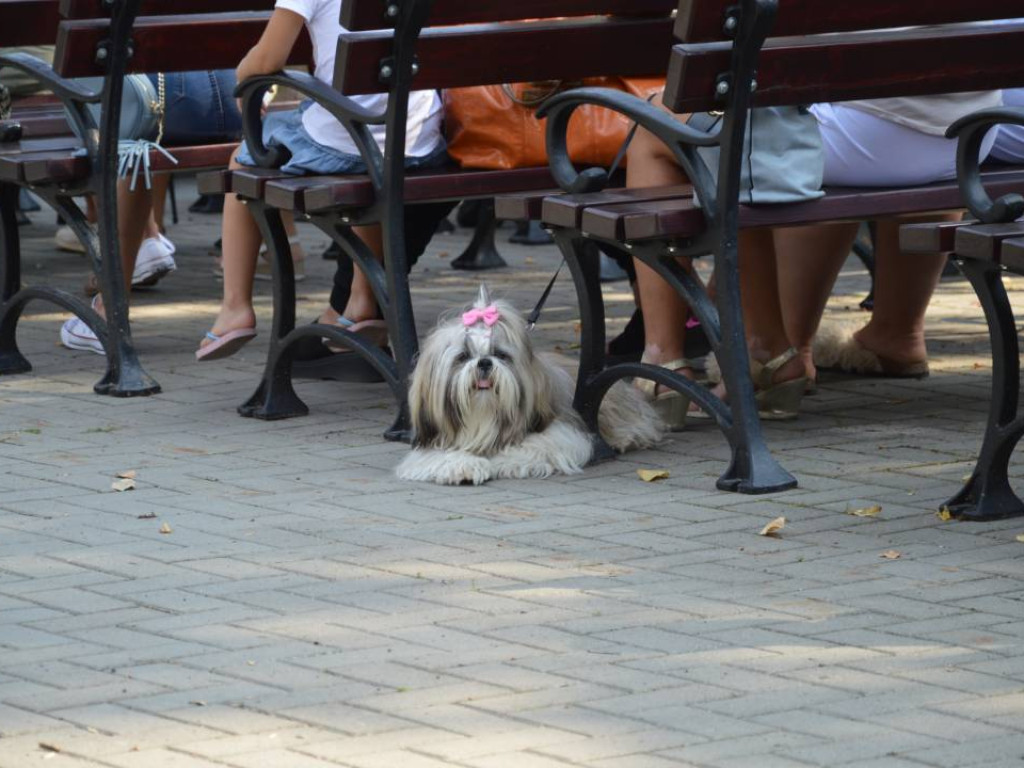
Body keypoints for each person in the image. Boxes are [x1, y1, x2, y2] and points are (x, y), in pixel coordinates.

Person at [196, 0, 446, 360]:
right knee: (371, 153)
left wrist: (243, 77)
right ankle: (360, 300)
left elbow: (267, 60)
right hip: (419, 141)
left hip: (351, 140)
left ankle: (235, 308)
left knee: (243, 158)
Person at [59, 70, 245, 353]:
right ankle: (149, 239)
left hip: (165, 105)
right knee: (135, 133)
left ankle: (110, 311)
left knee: (126, 136)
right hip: (237, 103)